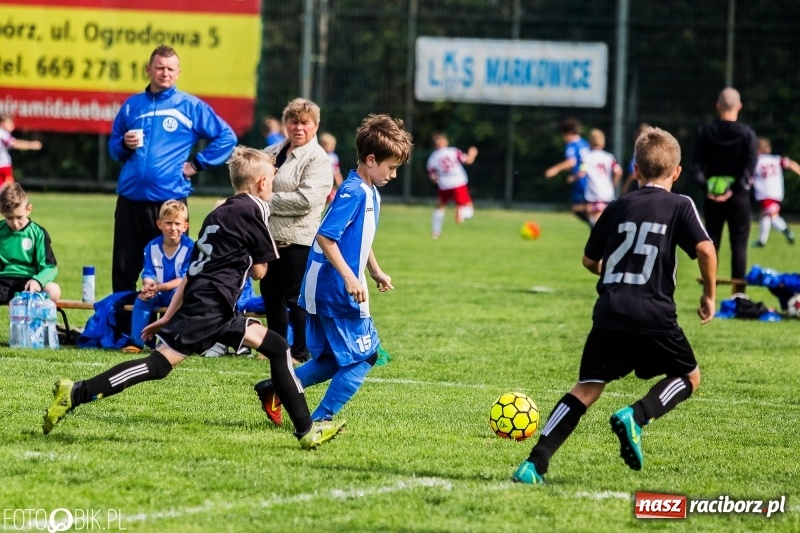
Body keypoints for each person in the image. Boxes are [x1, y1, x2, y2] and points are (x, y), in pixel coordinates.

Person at [43, 146, 345, 450]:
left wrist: (168, 316)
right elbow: (260, 272)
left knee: (277, 347)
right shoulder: (256, 209)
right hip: (211, 306)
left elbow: (192, 272)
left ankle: (305, 428)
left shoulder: (218, 212)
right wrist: (258, 252)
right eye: (273, 176)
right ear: (262, 183)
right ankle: (77, 392)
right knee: (159, 365)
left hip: (216, 305)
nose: (274, 181)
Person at [512, 127, 717, 484]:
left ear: (635, 170)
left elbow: (589, 261)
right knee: (689, 376)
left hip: (610, 310)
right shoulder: (680, 205)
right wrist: (709, 294)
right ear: (677, 172)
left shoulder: (617, 206)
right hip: (654, 311)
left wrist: (613, 271)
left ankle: (534, 464)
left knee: (587, 388)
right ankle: (636, 416)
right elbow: (705, 249)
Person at [254, 114, 413, 425]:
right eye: (391, 167)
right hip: (336, 288)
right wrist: (350, 277)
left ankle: (275, 389)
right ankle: (320, 421)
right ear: (371, 160)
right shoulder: (354, 192)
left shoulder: (369, 190)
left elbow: (359, 237)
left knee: (330, 358)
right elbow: (326, 237)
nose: (393, 174)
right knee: (365, 357)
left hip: (330, 286)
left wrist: (374, 270)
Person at [109, 45, 237, 294]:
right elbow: (114, 148)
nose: (165, 73)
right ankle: (123, 321)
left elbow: (226, 137)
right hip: (130, 200)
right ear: (148, 69)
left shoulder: (190, 106)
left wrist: (197, 164)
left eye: (170, 69)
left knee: (173, 273)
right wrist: (123, 143)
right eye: (160, 68)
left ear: (178, 72)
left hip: (169, 202)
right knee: (123, 271)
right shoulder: (132, 106)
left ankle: (171, 321)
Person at [261, 98, 332, 363]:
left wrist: (266, 199)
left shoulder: (318, 159)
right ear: (285, 123)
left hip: (298, 239)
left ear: (316, 126)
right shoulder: (270, 152)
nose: (298, 127)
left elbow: (306, 200)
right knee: (271, 297)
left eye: (305, 123)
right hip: (268, 238)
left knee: (296, 300)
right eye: (293, 121)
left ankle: (301, 351)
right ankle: (276, 349)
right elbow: (251, 183)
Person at [691, 87, 757, 294]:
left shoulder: (704, 132)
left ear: (718, 106)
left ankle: (708, 293)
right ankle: (738, 295)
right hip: (738, 198)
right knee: (739, 245)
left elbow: (696, 166)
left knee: (711, 243)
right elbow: (749, 168)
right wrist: (733, 189)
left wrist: (706, 187)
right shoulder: (747, 134)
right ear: (739, 106)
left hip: (712, 198)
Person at [122, 200, 193, 354]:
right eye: (168, 223)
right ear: (159, 224)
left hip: (179, 292)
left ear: (185, 226)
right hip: (159, 292)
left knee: (179, 299)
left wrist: (159, 287)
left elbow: (183, 279)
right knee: (142, 298)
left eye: (177, 223)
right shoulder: (152, 247)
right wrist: (148, 286)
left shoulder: (190, 248)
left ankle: (169, 342)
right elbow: (148, 273)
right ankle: (136, 342)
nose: (173, 228)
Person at [0, 183, 60, 304]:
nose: (15, 223)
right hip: (3, 281)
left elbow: (50, 267)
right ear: (2, 213)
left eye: (19, 217)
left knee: (53, 290)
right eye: (9, 218)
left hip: (29, 282)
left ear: (28, 210)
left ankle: (35, 315)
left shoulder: (38, 233)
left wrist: (38, 281)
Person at [426, 132, 478, 239]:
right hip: (458, 183)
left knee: (439, 207)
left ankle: (436, 232)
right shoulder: (453, 151)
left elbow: (433, 178)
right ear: (444, 141)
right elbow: (468, 161)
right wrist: (473, 153)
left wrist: (439, 179)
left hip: (444, 185)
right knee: (470, 210)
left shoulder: (432, 159)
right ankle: (461, 213)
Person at [751, 136, 800, 247]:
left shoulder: (756, 161)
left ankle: (786, 231)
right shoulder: (776, 159)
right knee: (765, 215)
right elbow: (791, 164)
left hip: (764, 192)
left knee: (773, 216)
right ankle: (761, 241)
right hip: (776, 192)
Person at [545, 118, 591, 226]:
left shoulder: (572, 145)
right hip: (589, 179)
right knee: (587, 209)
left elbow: (571, 161)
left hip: (581, 181)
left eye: (563, 135)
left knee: (579, 209)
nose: (563, 138)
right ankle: (597, 228)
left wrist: (555, 169)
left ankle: (598, 228)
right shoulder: (585, 143)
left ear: (569, 133)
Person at [579, 128, 622, 226]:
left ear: (590, 142)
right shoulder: (609, 157)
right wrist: (613, 185)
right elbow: (618, 172)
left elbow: (582, 172)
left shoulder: (586, 157)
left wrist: (572, 178)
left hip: (594, 192)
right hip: (607, 192)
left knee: (596, 221)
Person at [0, 115, 43, 189]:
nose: (12, 125)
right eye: (9, 123)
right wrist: (31, 145)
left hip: (3, 166)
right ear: (2, 123)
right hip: (3, 166)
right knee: (9, 189)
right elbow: (14, 143)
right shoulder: (2, 133)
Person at [622, 123, 651, 194]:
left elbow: (633, 173)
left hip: (639, 185)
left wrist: (625, 186)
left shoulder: (641, 151)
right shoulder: (649, 150)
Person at [320, 132, 344, 204]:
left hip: (329, 181)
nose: (331, 147)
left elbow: (336, 172)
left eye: (332, 145)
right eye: (329, 145)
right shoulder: (319, 155)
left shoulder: (333, 157)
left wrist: (341, 185)